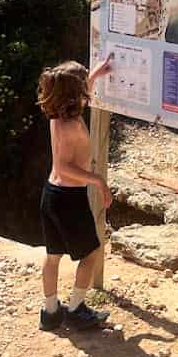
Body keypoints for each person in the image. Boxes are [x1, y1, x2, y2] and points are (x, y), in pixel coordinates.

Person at [36, 55, 115, 332]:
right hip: (70, 198)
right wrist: (98, 180)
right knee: (91, 253)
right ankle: (76, 309)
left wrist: (94, 75)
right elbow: (63, 167)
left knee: (53, 254)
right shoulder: (71, 126)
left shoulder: (58, 116)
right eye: (83, 85)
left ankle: (50, 312)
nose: (86, 92)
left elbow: (82, 97)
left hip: (51, 195)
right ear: (74, 93)